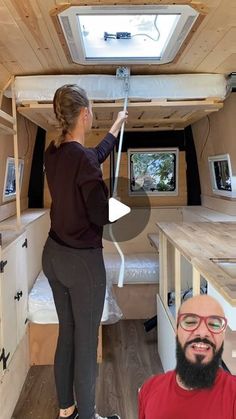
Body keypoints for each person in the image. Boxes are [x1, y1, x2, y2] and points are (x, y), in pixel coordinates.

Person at [42, 84, 128, 419]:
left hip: (53, 256)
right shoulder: (82, 159)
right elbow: (102, 215)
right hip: (82, 263)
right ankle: (88, 416)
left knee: (67, 333)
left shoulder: (54, 151)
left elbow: (92, 156)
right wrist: (126, 206)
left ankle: (67, 410)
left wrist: (115, 127)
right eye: (91, 108)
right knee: (86, 341)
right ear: (84, 113)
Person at [139, 294, 236, 419]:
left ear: (222, 337)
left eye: (214, 325)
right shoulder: (150, 388)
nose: (202, 332)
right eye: (190, 322)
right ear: (177, 332)